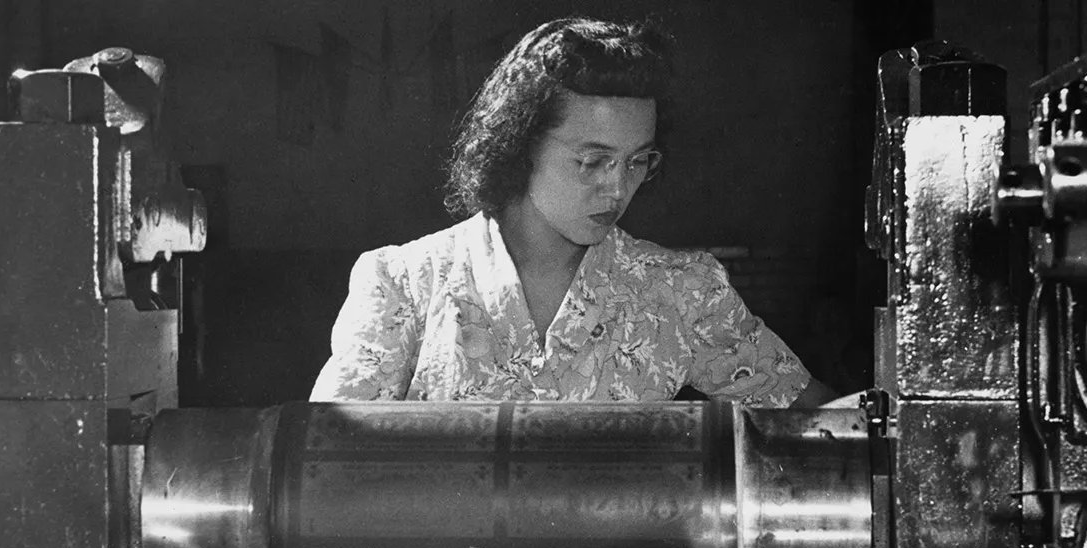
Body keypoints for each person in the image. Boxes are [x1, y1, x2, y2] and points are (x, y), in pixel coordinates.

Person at [310, 17, 834, 407]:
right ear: (519, 145)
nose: (618, 187)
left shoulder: (682, 291)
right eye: (592, 160)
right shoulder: (403, 283)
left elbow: (820, 424)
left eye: (637, 161)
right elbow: (323, 466)